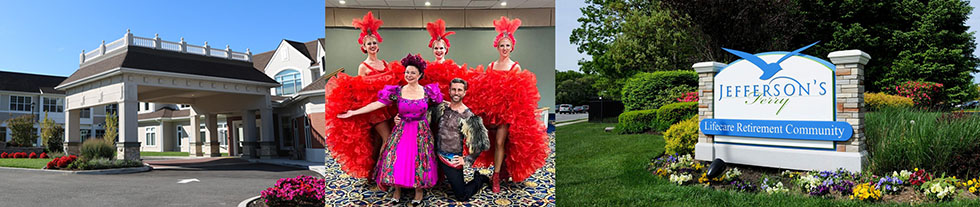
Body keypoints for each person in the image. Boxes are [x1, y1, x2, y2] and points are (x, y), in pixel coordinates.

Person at [338, 54, 440, 206]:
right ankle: (396, 190)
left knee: (419, 160)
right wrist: (354, 112)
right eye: (407, 72)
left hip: (421, 131)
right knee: (397, 159)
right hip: (402, 130)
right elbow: (377, 104)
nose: (409, 75)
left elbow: (442, 102)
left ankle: (419, 191)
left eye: (413, 72)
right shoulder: (397, 91)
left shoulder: (428, 92)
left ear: (420, 74)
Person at [466, 16, 550, 193]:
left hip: (507, 113)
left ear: (512, 47)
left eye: (507, 45)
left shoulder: (515, 67)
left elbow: (520, 94)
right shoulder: (491, 66)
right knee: (490, 143)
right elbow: (483, 89)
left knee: (499, 142)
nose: (505, 48)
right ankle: (501, 168)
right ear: (497, 47)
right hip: (490, 112)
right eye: (502, 45)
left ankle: (496, 177)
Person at [323, 11, 399, 179]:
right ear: (364, 47)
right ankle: (382, 173)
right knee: (388, 139)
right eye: (369, 44)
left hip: (388, 107)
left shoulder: (385, 63)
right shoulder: (363, 66)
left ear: (378, 45)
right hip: (374, 111)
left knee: (378, 141)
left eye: (374, 43)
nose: (372, 46)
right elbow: (360, 90)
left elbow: (391, 87)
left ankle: (373, 172)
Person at [431, 78, 491, 201]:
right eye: (453, 89)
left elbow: (481, 143)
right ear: (449, 90)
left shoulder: (468, 115)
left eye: (459, 90)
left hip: (451, 159)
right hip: (434, 154)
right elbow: (420, 114)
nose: (456, 93)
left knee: (461, 196)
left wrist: (467, 159)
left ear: (464, 93)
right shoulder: (441, 107)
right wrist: (399, 118)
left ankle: (480, 179)